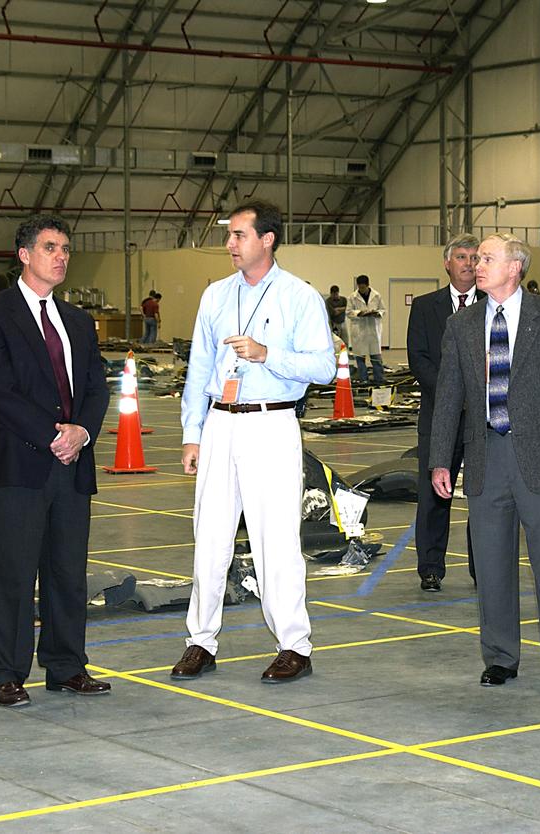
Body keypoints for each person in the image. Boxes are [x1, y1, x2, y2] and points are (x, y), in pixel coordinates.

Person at [171, 199, 335, 685]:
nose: (230, 244)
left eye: (240, 235)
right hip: (221, 422)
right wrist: (191, 433)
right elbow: (199, 367)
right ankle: (200, 640)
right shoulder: (215, 297)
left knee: (275, 538)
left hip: (271, 422)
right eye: (229, 235)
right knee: (211, 536)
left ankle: (294, 645)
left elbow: (323, 367)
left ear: (268, 239)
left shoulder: (299, 298)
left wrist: (269, 354)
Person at [430, 233, 540, 693]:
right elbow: (448, 400)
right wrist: (441, 460)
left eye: (488, 259)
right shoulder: (462, 325)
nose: (477, 265)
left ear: (515, 267)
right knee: (493, 565)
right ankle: (499, 657)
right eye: (476, 259)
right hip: (485, 456)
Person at [0, 214, 111, 708]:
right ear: (24, 255)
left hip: (73, 463)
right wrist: (53, 437)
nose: (61, 256)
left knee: (67, 571)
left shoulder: (77, 321)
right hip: (20, 464)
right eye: (51, 247)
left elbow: (96, 385)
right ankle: (6, 672)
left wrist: (83, 432)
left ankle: (67, 666)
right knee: (12, 571)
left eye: (66, 248)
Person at [407, 232, 483, 592]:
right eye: (463, 257)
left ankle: (482, 568)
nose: (469, 263)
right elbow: (418, 358)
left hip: (484, 418)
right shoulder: (425, 307)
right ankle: (431, 568)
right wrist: (454, 395)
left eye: (475, 257)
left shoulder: (494, 304)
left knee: (483, 494)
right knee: (434, 494)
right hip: (439, 415)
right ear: (447, 263)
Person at [346, 274, 386, 384]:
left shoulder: (376, 296)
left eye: (363, 287)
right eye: (360, 287)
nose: (361, 290)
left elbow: (383, 310)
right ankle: (363, 379)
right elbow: (348, 312)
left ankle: (379, 379)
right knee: (360, 358)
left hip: (373, 330)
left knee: (376, 357)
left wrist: (377, 313)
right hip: (359, 331)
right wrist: (359, 313)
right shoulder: (352, 297)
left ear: (368, 285)